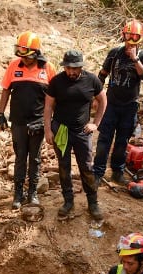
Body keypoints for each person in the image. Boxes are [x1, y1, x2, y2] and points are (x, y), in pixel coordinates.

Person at [44, 49, 107, 220]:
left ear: (81, 67)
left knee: (86, 167)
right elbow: (48, 107)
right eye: (68, 68)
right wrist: (48, 130)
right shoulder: (56, 81)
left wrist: (95, 123)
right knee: (64, 167)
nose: (71, 72)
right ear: (64, 67)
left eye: (75, 68)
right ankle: (68, 201)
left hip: (82, 131)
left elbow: (103, 100)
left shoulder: (92, 80)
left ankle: (92, 203)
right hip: (61, 130)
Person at [0, 32, 54, 210]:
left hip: (38, 122)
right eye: (21, 54)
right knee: (20, 158)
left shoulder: (48, 68)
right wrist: (1, 113)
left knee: (35, 159)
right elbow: (6, 90)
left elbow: (55, 97)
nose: (25, 59)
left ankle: (33, 193)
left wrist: (49, 121)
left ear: (36, 53)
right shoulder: (14, 66)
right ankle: (18, 194)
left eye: (28, 55)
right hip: (18, 121)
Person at [92, 20, 143, 185]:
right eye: (128, 36)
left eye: (134, 38)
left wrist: (135, 59)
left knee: (122, 141)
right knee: (104, 139)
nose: (130, 41)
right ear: (123, 35)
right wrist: (97, 97)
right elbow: (102, 74)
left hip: (130, 106)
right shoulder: (114, 53)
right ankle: (98, 172)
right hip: (111, 104)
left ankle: (117, 172)